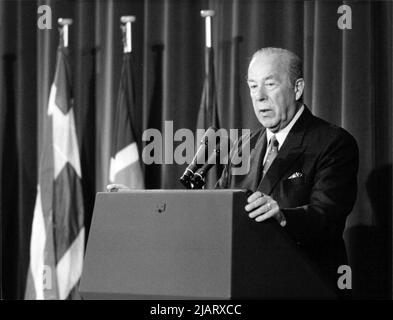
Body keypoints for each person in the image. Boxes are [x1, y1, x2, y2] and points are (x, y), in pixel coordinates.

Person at [215, 47, 359, 292]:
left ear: (297, 88)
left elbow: (326, 216)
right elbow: (218, 206)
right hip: (245, 283)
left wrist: (282, 216)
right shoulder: (243, 146)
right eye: (252, 86)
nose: (259, 96)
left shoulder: (332, 142)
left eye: (269, 84)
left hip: (303, 286)